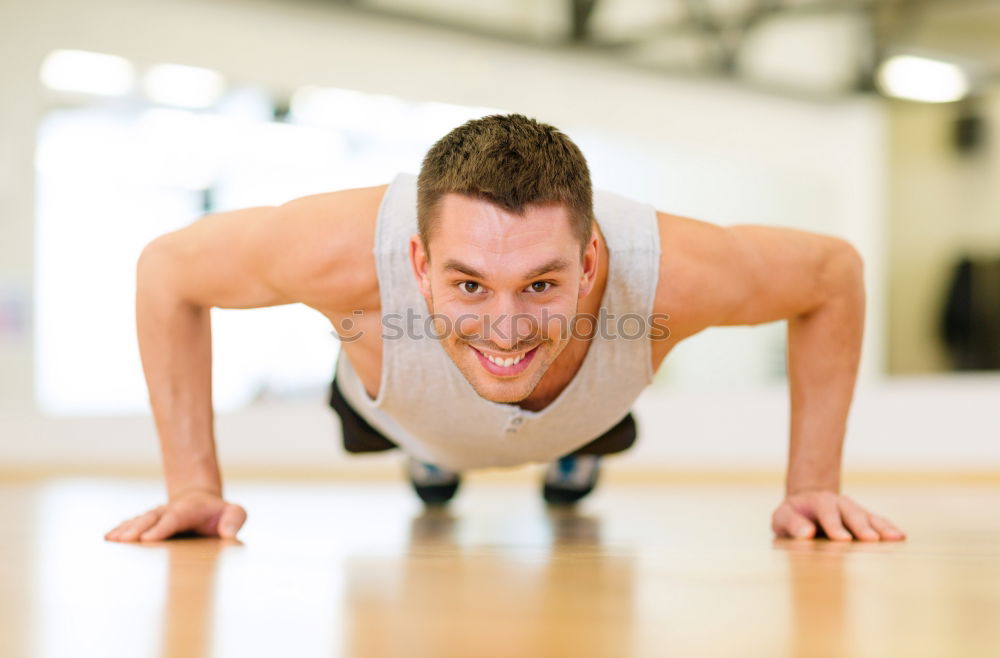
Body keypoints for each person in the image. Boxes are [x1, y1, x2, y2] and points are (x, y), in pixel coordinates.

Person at [104, 113, 907, 544]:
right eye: (468, 283)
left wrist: (811, 488)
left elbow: (833, 275)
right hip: (396, 405)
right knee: (439, 439)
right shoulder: (337, 253)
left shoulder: (669, 269)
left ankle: (570, 456)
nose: (507, 323)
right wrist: (194, 488)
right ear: (417, 262)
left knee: (571, 417)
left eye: (543, 283)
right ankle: (431, 462)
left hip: (583, 411)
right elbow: (167, 272)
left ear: (592, 260)